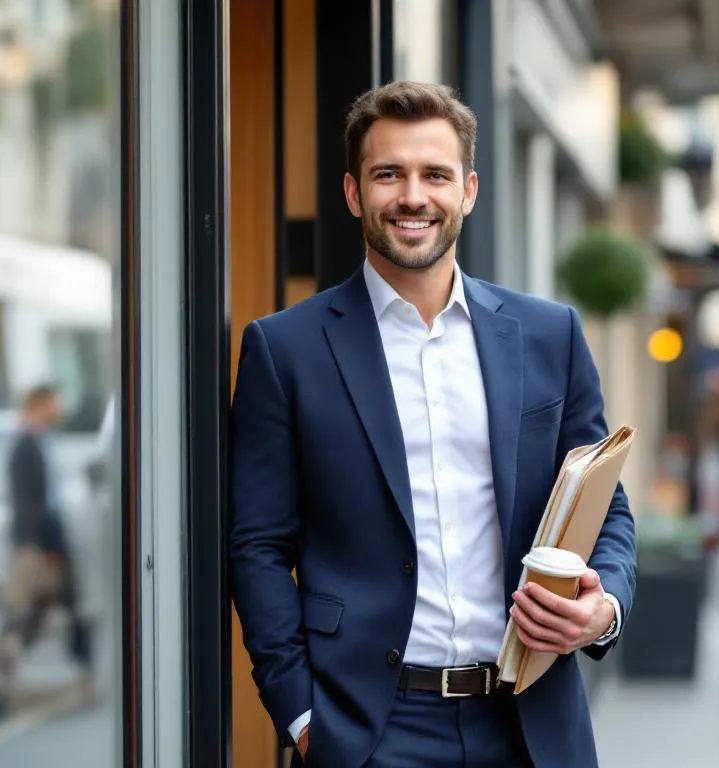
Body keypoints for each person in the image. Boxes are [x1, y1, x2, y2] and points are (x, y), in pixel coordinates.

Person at [228, 81, 636, 768]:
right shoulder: (285, 349)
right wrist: (301, 715)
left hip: (530, 722)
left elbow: (607, 506)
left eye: (435, 175)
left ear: (468, 191)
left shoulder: (549, 335)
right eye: (388, 173)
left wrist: (605, 610)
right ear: (355, 193)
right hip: (369, 731)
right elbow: (259, 545)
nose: (413, 196)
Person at [0, 384, 95, 706]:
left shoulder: (35, 443)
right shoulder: (27, 446)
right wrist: (45, 545)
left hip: (38, 541)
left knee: (43, 609)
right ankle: (84, 676)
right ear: (39, 404)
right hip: (41, 542)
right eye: (55, 403)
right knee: (61, 607)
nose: (60, 408)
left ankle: (82, 675)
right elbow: (32, 503)